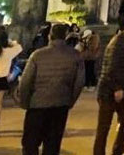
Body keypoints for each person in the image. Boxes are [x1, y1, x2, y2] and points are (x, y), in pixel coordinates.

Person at [18, 23, 85, 155]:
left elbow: (25, 82)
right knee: (52, 144)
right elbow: (79, 82)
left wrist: (25, 102)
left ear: (50, 36)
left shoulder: (37, 55)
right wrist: (70, 100)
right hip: (60, 104)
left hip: (37, 105)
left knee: (30, 143)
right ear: (66, 36)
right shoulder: (75, 55)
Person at [93, 14, 124, 155]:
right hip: (110, 91)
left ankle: (118, 151)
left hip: (123, 90)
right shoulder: (118, 43)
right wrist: (117, 88)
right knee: (104, 127)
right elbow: (111, 67)